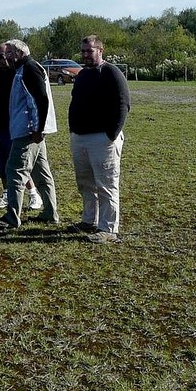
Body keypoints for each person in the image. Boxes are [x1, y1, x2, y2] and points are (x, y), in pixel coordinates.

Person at [68, 35, 130, 244]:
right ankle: (89, 220)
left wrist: (111, 135)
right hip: (80, 137)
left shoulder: (112, 73)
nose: (85, 54)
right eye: (83, 51)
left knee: (106, 184)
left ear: (100, 50)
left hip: (103, 140)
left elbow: (123, 105)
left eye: (90, 51)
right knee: (85, 183)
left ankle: (108, 229)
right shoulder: (84, 74)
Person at [0, 39, 60, 229]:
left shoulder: (30, 68)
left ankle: (12, 217)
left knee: (14, 171)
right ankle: (50, 213)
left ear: (21, 52)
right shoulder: (23, 68)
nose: (7, 56)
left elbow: (40, 100)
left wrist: (37, 130)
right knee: (42, 173)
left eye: (10, 52)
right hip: (31, 131)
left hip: (29, 132)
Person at [0, 42, 43, 211]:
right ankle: (6, 193)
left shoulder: (18, 73)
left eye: (1, 56)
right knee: (2, 162)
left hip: (15, 126)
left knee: (19, 165)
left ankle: (34, 194)